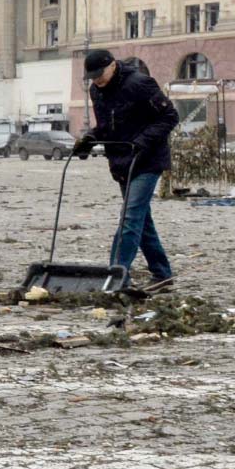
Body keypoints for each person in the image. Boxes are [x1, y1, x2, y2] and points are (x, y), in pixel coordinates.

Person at [75, 48, 179, 289]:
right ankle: (163, 273)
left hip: (148, 159)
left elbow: (170, 117)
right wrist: (90, 139)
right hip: (122, 161)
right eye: (92, 76)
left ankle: (116, 274)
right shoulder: (96, 91)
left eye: (100, 74)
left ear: (112, 65)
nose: (97, 80)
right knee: (141, 220)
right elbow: (106, 126)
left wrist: (143, 140)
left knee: (131, 217)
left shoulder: (140, 84)